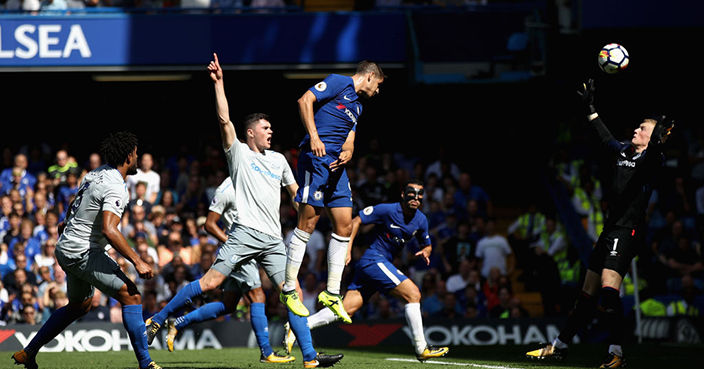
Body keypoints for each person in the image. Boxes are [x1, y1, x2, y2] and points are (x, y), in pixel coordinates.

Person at [145, 53, 343, 368]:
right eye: (265, 128)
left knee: (291, 292)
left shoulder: (278, 160)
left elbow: (295, 196)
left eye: (271, 128)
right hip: (245, 233)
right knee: (210, 284)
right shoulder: (238, 154)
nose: (271, 132)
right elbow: (224, 120)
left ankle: (309, 357)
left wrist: (314, 212)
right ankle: (159, 317)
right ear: (250, 132)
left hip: (274, 239)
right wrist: (219, 84)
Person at [526, 79, 675, 368]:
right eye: (637, 127)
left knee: (609, 289)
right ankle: (559, 346)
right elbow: (604, 136)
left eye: (642, 129)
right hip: (608, 230)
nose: (635, 130)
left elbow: (656, 153)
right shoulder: (622, 151)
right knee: (587, 294)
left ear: (652, 137)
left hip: (626, 232)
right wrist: (590, 109)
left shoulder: (653, 159)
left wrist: (659, 137)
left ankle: (617, 352)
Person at [12, 131, 160, 369]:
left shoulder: (94, 174)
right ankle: (147, 364)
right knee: (131, 296)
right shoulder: (116, 186)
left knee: (79, 306)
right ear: (128, 157)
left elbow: (75, 202)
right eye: (135, 152)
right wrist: (137, 261)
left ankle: (28, 352)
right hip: (83, 251)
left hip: (66, 248)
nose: (137, 156)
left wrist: (67, 221)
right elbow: (110, 230)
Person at [285, 180, 449, 362]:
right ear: (403, 194)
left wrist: (427, 250)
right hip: (373, 260)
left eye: (419, 195)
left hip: (377, 264)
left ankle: (298, 326)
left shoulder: (421, 220)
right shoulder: (387, 210)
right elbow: (356, 221)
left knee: (346, 310)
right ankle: (422, 348)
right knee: (414, 294)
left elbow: (426, 244)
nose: (415, 198)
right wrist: (347, 247)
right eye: (411, 193)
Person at [282, 60, 385, 323]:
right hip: (315, 158)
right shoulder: (339, 82)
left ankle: (331, 293)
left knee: (344, 225)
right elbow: (304, 100)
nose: (378, 91)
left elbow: (349, 137)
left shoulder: (358, 106)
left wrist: (349, 151)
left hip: (336, 167)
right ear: (370, 76)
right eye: (379, 85)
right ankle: (288, 288)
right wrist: (314, 136)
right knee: (309, 221)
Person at [159, 174, 294, 363]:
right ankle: (266, 352)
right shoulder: (226, 189)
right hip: (238, 250)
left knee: (228, 305)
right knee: (257, 296)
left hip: (244, 248)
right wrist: (231, 243)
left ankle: (180, 322)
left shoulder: (250, 182)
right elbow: (209, 224)